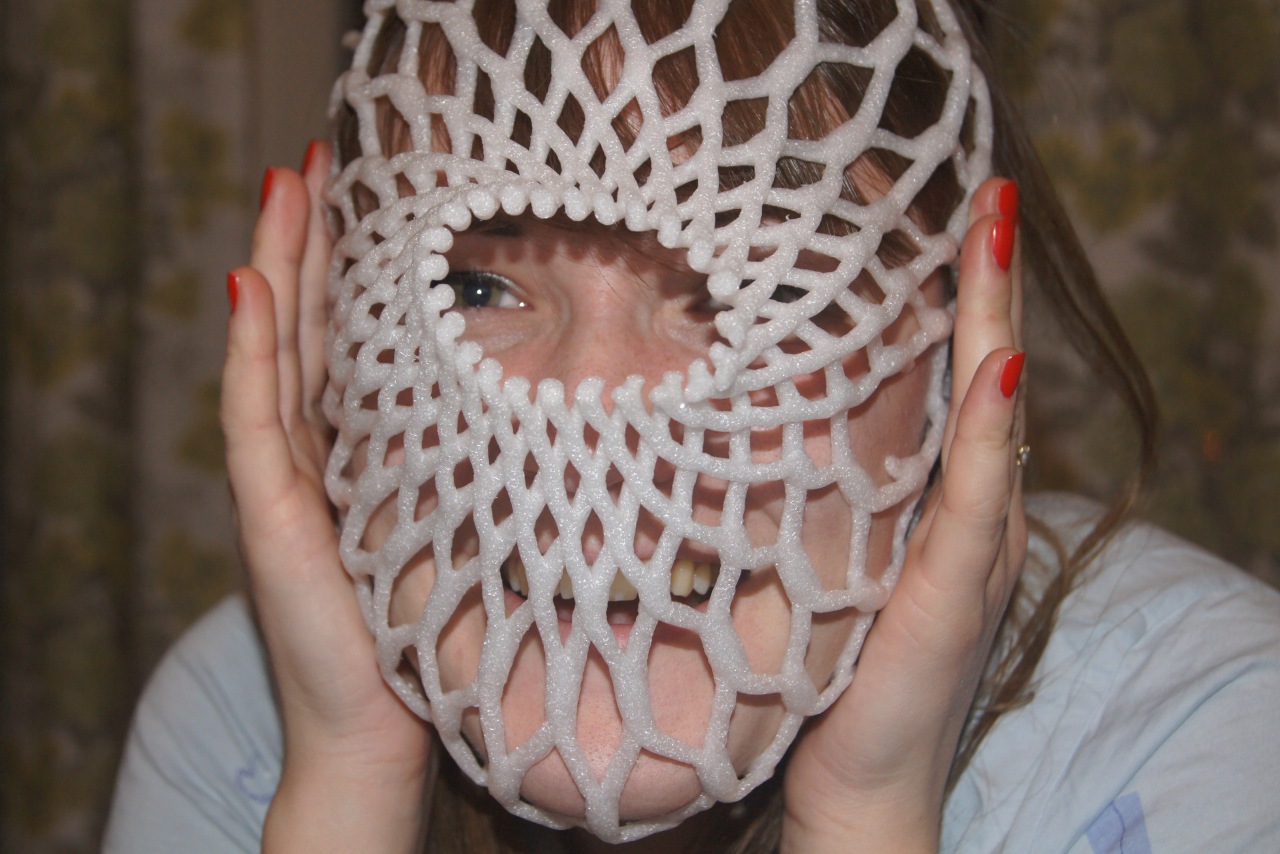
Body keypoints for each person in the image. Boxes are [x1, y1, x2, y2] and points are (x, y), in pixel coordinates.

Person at [105, 1, 1280, 851]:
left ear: (956, 331)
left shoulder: (1201, 730)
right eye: (479, 286)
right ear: (342, 325)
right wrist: (346, 788)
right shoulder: (242, 719)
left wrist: (861, 816)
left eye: (755, 281)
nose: (592, 404)